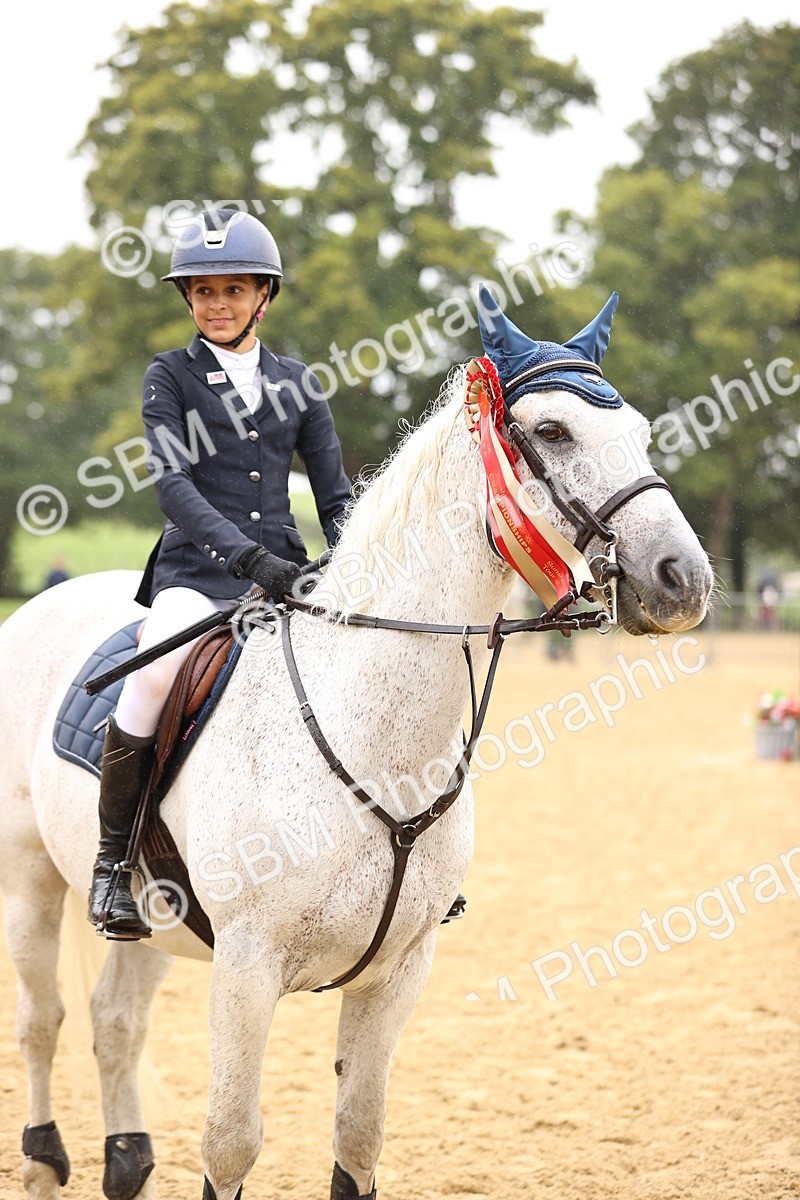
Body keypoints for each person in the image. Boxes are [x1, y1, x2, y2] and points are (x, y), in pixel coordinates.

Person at [88, 208, 352, 939]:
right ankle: (113, 864)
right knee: (150, 677)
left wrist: (358, 564)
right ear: (187, 297)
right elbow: (173, 486)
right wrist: (246, 559)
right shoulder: (169, 376)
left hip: (286, 576)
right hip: (197, 576)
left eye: (233, 289)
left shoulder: (298, 383)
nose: (217, 304)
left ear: (263, 295)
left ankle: (392, 852)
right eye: (203, 291)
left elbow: (334, 497)